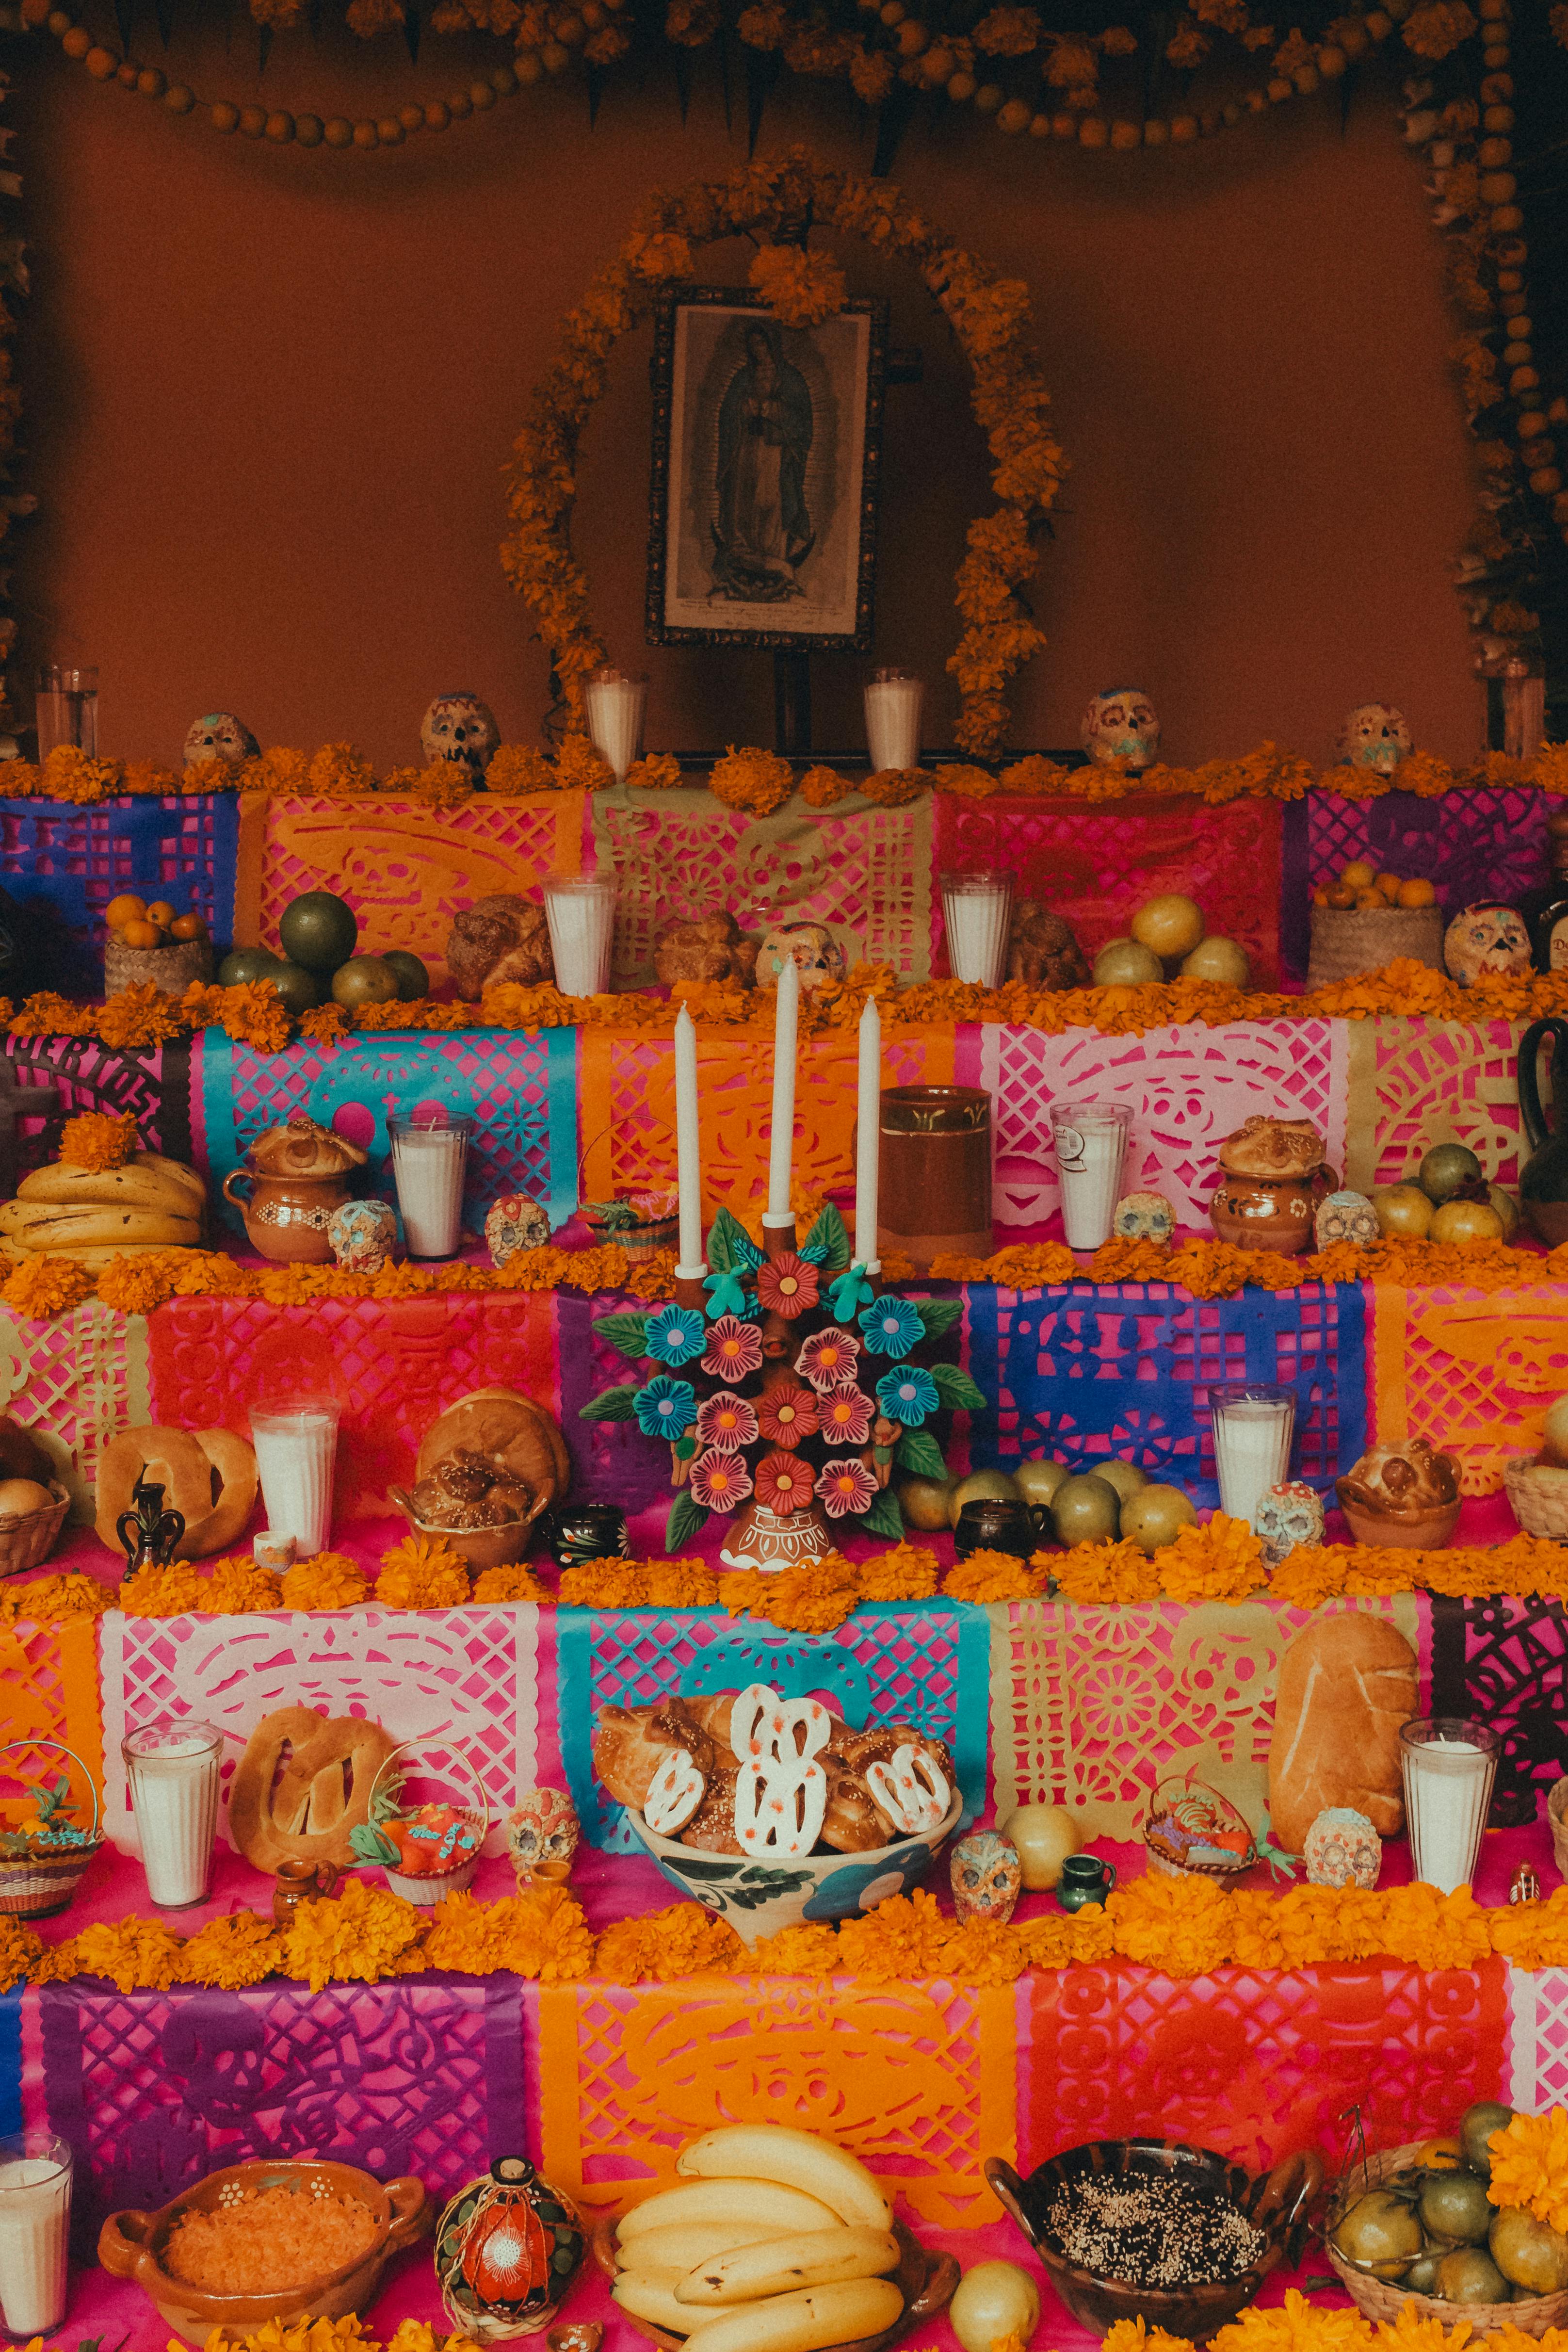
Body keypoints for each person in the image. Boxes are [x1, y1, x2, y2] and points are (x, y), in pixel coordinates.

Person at [711, 320, 814, 602]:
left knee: (769, 500)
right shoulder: (743, 379)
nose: (758, 349)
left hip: (775, 452)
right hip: (746, 448)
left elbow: (802, 421)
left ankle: (773, 555)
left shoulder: (790, 378)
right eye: (753, 344)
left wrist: (769, 409)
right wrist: (744, 409)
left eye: (762, 343)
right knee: (744, 500)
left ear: (773, 345)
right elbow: (728, 415)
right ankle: (743, 551)